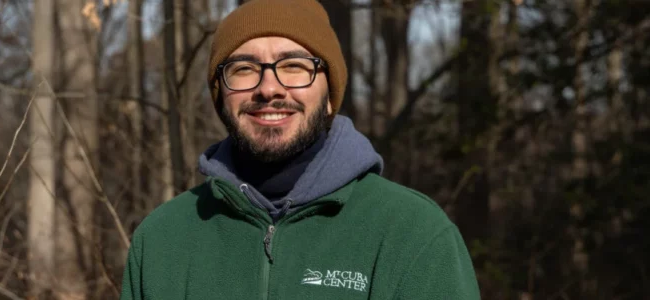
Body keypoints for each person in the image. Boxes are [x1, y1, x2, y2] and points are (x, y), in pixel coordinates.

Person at [119, 0, 480, 299]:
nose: (269, 88)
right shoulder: (162, 241)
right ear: (221, 95)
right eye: (244, 68)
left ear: (328, 96)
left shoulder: (412, 234)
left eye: (294, 66)